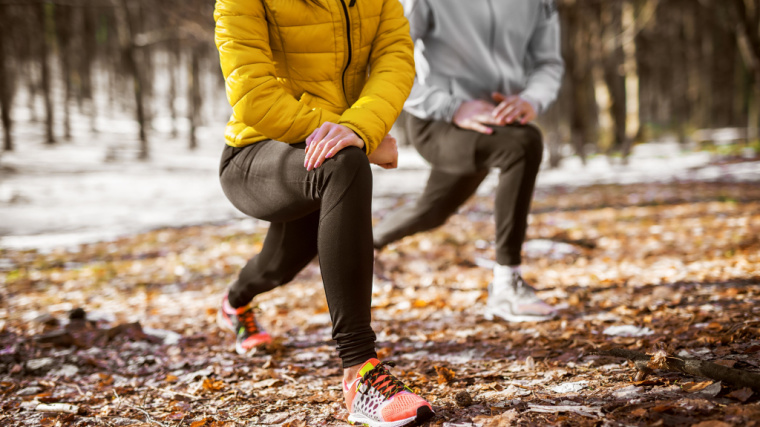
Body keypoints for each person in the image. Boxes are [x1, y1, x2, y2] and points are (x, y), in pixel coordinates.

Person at [212, 0, 434, 425]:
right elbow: (253, 94)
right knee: (344, 162)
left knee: (277, 266)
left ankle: (235, 302)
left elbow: (396, 61)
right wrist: (357, 138)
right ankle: (360, 372)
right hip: (255, 154)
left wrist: (359, 130)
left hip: (327, 149)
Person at [374, 0, 565, 323]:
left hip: (496, 123)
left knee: (433, 211)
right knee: (525, 144)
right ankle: (507, 285)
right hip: (437, 122)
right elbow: (388, 60)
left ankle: (367, 243)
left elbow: (548, 63)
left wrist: (531, 98)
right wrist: (451, 107)